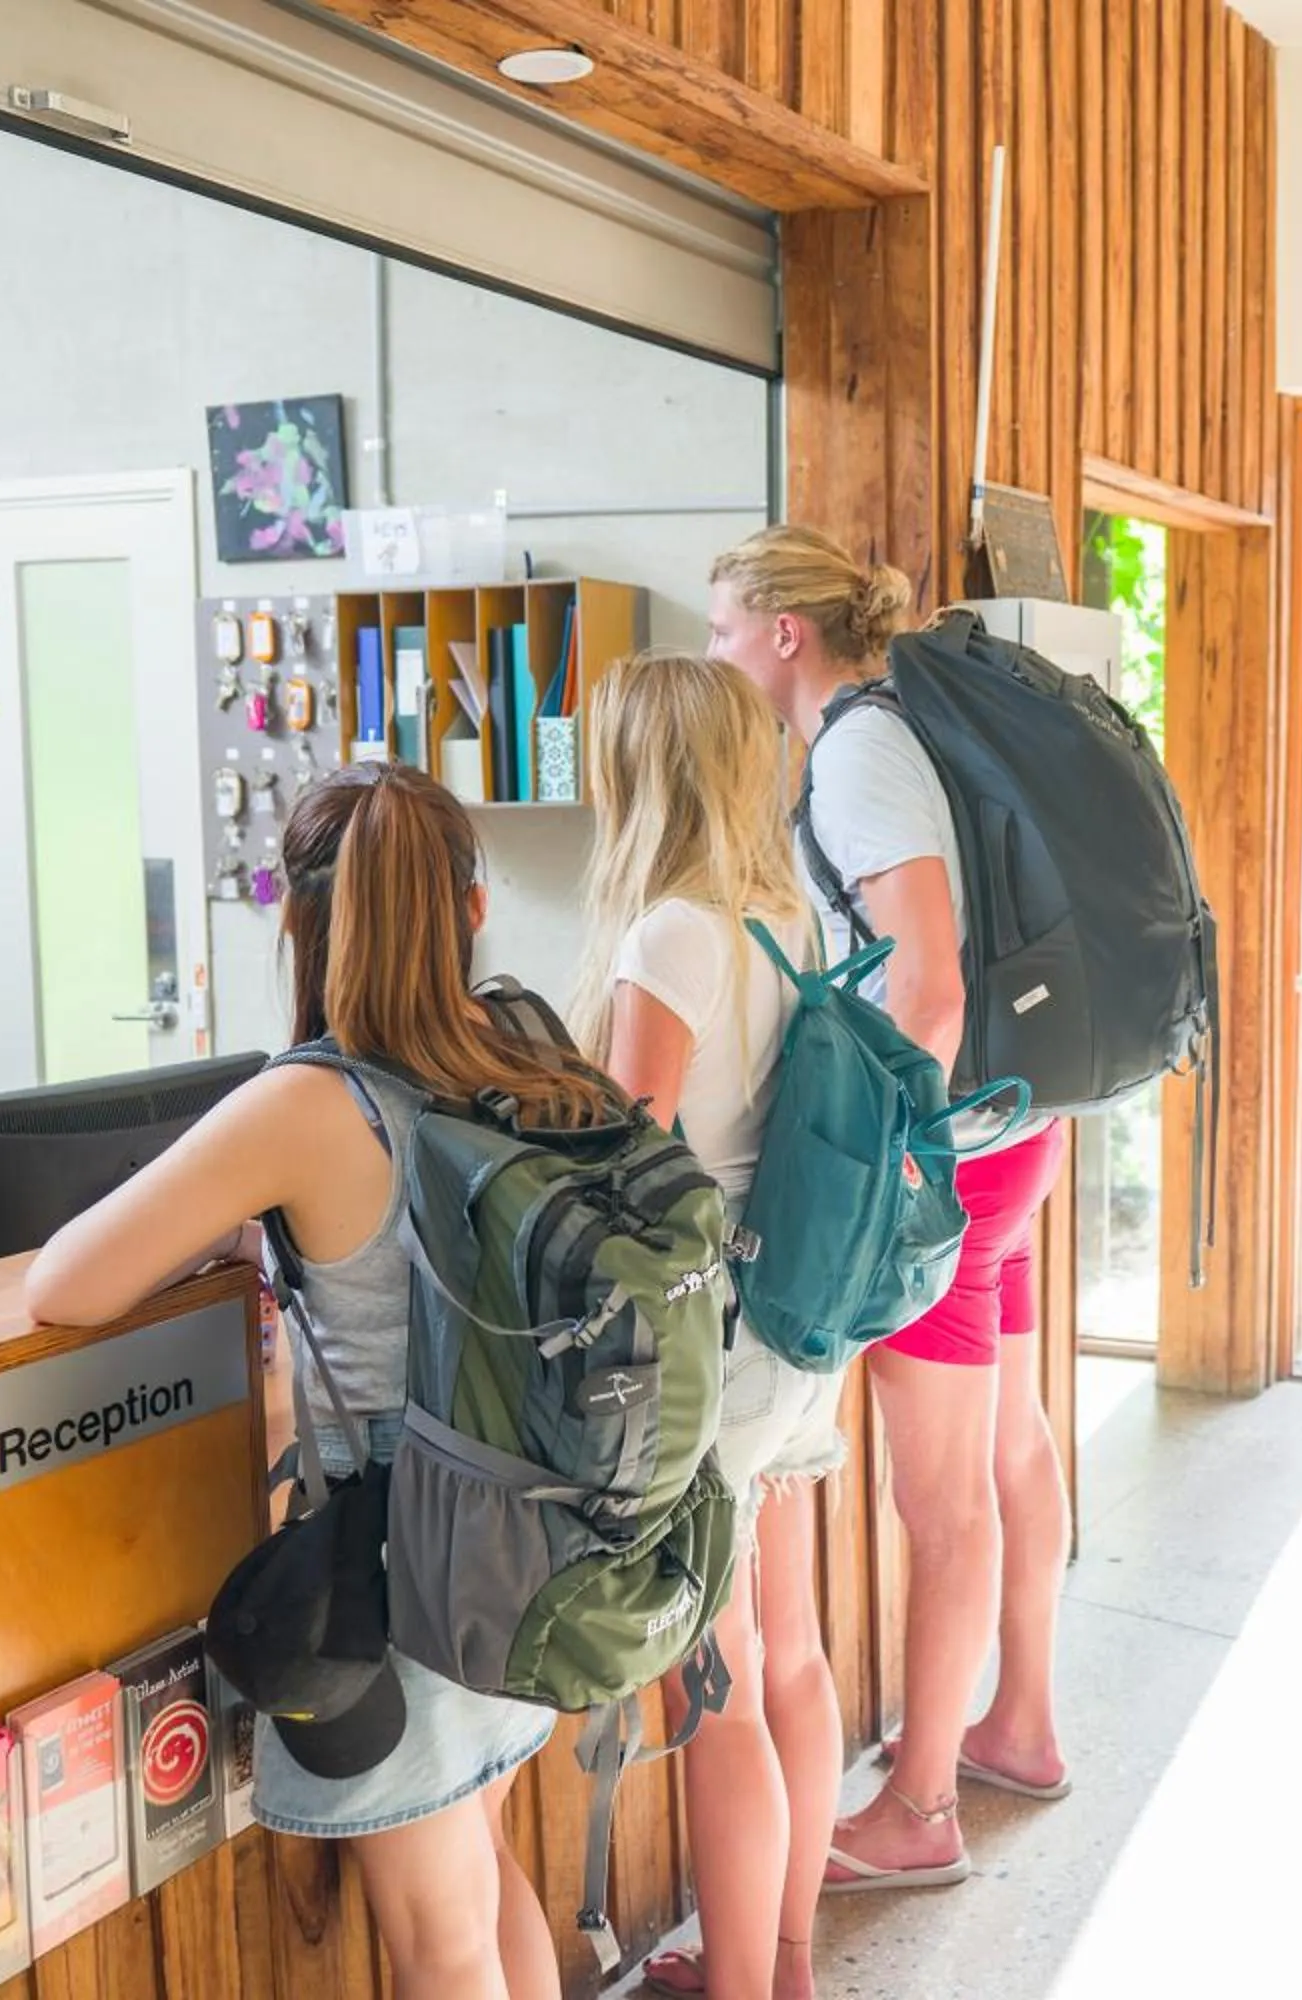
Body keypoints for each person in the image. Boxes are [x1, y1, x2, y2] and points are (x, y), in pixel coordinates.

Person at [26, 762, 585, 2000]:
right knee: (491, 1878)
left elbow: (61, 1282)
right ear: (473, 911)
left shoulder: (305, 1101)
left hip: (397, 1558)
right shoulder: (528, 1049)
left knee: (441, 1934)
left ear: (299, 924)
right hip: (526, 1535)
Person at [706, 527, 1075, 1895]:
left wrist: (874, 1176)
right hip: (1010, 1133)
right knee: (1005, 1442)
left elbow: (926, 986)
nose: (715, 656)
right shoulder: (901, 727)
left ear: (784, 634)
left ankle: (921, 1802)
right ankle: (1018, 1723)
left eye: (723, 629)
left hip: (951, 1158)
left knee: (941, 1493)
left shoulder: (857, 753)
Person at [567, 650, 847, 2000]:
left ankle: (740, 1985)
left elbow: (623, 1164)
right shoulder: (789, 916)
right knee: (788, 1652)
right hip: (796, 1328)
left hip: (710, 1353)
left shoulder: (671, 932)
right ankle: (786, 1963)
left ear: (642, 774)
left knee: (717, 1680)